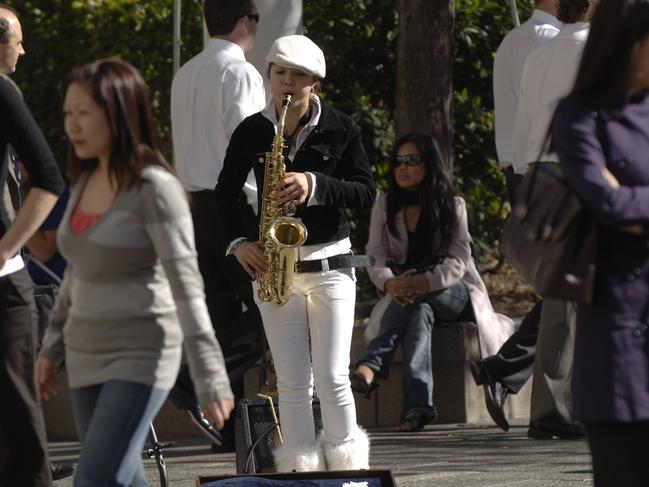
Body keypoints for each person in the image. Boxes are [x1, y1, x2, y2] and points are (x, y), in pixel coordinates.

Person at [33, 58, 234, 487]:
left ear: (120, 112)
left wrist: (211, 376)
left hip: (141, 352)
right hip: (86, 355)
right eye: (68, 114)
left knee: (95, 477)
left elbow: (187, 286)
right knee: (120, 477)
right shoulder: (84, 180)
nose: (72, 125)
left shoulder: (155, 189)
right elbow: (76, 274)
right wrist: (51, 348)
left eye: (84, 113)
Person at [215, 34, 376, 472]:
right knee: (291, 382)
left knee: (332, 376)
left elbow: (366, 192)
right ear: (268, 75)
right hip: (272, 264)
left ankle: (348, 470)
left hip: (329, 264)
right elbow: (224, 196)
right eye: (280, 73)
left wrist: (315, 184)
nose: (287, 83)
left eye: (298, 75)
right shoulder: (252, 130)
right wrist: (238, 244)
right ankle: (299, 471)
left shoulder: (342, 127)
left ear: (315, 82)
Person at [351, 133, 515, 432]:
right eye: (398, 161)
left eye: (412, 160)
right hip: (407, 295)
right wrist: (390, 284)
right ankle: (417, 408)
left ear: (429, 164)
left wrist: (421, 283)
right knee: (419, 314)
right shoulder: (385, 205)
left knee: (420, 301)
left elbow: (459, 260)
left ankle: (373, 364)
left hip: (452, 292)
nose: (403, 167)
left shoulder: (453, 205)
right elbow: (374, 255)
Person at [552, 0, 649, 484]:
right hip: (618, 331)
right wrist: (618, 203)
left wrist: (630, 201)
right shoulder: (580, 115)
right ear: (629, 41)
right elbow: (604, 204)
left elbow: (621, 203)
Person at [170, 0, 266, 451]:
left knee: (223, 311)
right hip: (234, 207)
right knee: (271, 311)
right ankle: (195, 381)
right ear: (245, 21)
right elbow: (250, 147)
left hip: (197, 206)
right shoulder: (240, 72)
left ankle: (230, 430)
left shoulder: (185, 73)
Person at [470, 0, 560, 432]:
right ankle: (504, 370)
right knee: (570, 287)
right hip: (545, 173)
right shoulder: (550, 43)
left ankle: (504, 371)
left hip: (524, 171)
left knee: (566, 287)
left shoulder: (512, 42)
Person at [1, 5, 68, 486]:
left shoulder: (2, 91)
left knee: (20, 430)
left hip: (4, 287)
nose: (22, 49)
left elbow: (47, 179)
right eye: (17, 39)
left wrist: (5, 249)